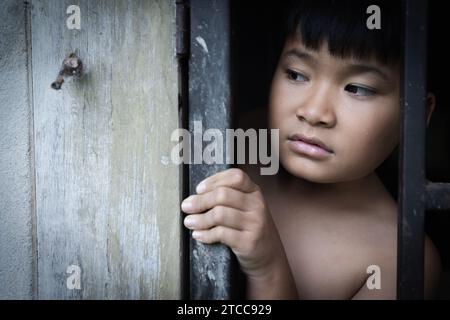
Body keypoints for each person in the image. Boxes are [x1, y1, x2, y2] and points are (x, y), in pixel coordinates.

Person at [181, 0, 441, 299]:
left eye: (357, 89)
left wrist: (268, 269)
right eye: (296, 74)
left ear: (417, 114)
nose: (314, 111)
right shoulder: (232, 134)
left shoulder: (398, 258)